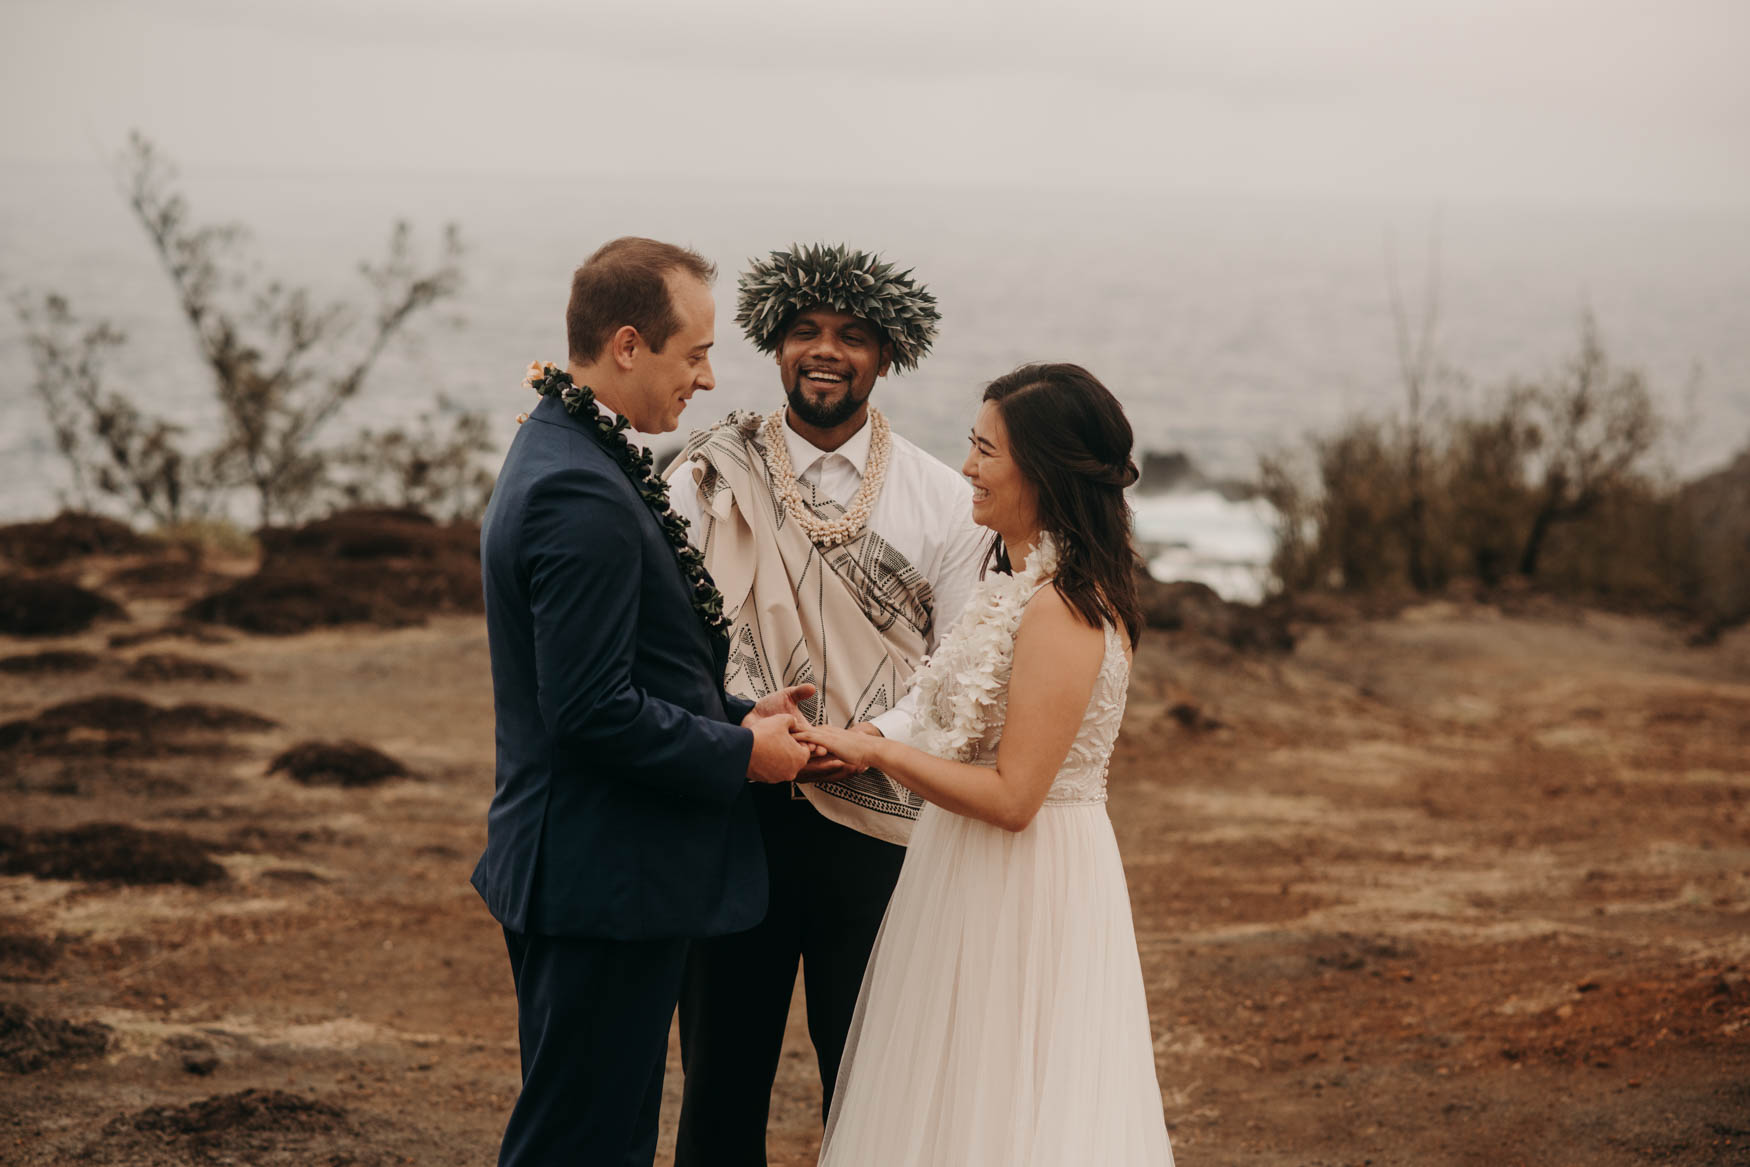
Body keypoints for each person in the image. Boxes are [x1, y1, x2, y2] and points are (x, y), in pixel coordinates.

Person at [469, 236, 814, 1167]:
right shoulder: (578, 491)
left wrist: (735, 711)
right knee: (575, 1144)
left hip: (599, 871)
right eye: (695, 352)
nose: (708, 378)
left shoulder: (571, 447)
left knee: (608, 1139)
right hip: (596, 879)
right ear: (629, 346)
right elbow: (588, 710)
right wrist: (744, 756)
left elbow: (624, 673)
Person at [796, 363, 1177, 1165]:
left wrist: (878, 752)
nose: (966, 466)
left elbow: (1013, 797)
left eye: (984, 450)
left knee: (1011, 1095)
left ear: (1043, 470)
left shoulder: (1063, 608)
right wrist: (859, 734)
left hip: (1030, 880)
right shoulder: (1008, 583)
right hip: (964, 867)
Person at [663, 243, 987, 1164]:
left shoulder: (945, 502)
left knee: (875, 1079)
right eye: (805, 330)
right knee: (720, 1085)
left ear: (886, 355)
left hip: (879, 826)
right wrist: (743, 728)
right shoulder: (702, 479)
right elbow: (671, 643)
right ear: (774, 343)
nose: (826, 350)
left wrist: (871, 739)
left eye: (852, 336)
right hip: (733, 809)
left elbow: (959, 669)